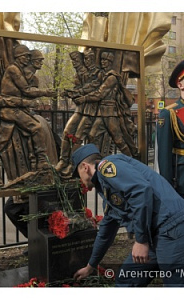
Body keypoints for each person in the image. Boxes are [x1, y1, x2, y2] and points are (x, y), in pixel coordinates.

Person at [72, 144, 184, 286]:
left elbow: (141, 191)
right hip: (154, 235)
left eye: (78, 175)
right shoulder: (106, 189)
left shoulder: (107, 167)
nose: (80, 181)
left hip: (172, 228)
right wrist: (90, 266)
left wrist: (141, 240)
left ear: (85, 167)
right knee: (126, 280)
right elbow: (106, 232)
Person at [0, 44, 56, 170]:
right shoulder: (14, 69)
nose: (27, 59)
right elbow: (26, 90)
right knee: (36, 127)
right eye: (26, 57)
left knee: (38, 125)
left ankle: (35, 159)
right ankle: (42, 160)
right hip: (10, 108)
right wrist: (45, 92)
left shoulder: (20, 69)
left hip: (18, 107)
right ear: (19, 57)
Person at [74, 52, 137, 158]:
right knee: (91, 135)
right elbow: (92, 86)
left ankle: (132, 159)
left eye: (105, 61)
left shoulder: (111, 77)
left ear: (110, 62)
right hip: (102, 112)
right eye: (102, 60)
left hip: (110, 112)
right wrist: (77, 92)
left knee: (118, 139)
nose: (103, 62)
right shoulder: (103, 75)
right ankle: (97, 160)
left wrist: (83, 99)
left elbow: (100, 93)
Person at [156, 60, 184, 197]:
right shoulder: (169, 113)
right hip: (181, 181)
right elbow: (164, 155)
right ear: (180, 84)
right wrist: (167, 190)